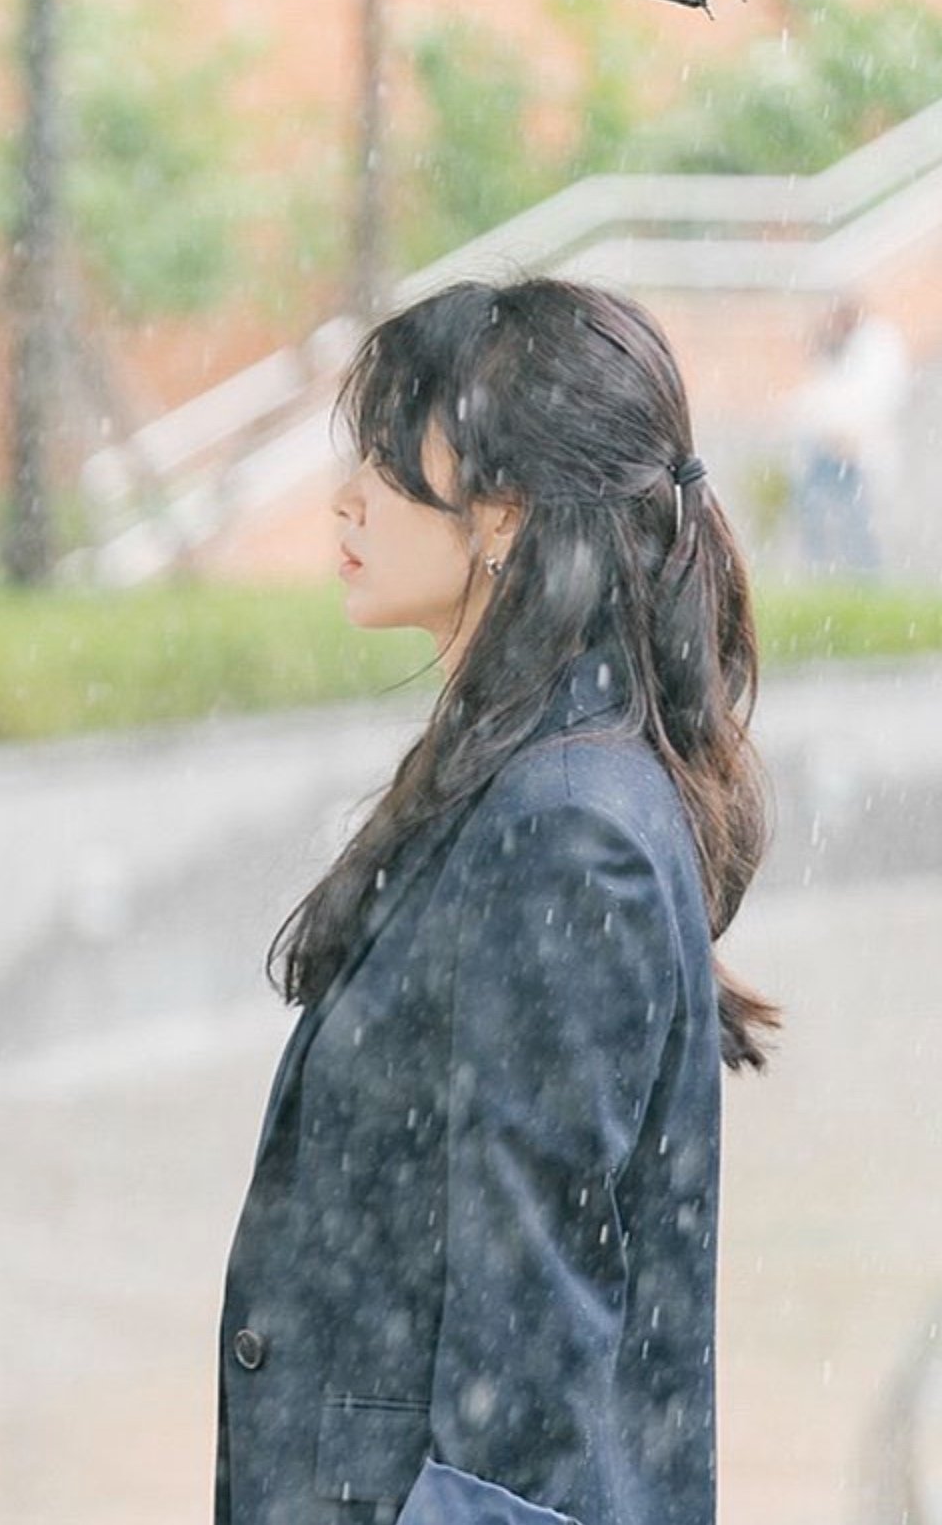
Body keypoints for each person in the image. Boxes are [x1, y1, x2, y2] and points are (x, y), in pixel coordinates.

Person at [216, 279, 776, 1524]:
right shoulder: (526, 784)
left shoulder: (567, 830)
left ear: (507, 510)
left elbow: (530, 1356)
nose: (346, 498)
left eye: (386, 458)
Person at [783, 298, 909, 577]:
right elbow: (817, 398)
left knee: (855, 519)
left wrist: (851, 435)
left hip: (854, 449)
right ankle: (824, 573)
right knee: (817, 514)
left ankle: (862, 575)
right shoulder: (837, 351)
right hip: (824, 446)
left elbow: (878, 396)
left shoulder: (875, 346)